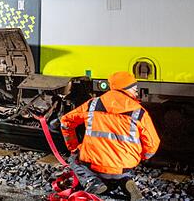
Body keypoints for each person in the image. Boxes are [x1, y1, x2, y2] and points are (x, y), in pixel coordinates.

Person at [60, 71, 160, 201]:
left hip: (95, 165)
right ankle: (125, 181)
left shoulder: (93, 104)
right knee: (118, 166)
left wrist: (73, 146)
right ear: (126, 89)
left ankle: (92, 181)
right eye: (134, 88)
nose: (136, 91)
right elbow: (153, 144)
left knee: (74, 158)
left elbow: (66, 121)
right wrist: (141, 157)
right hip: (124, 167)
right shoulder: (139, 112)